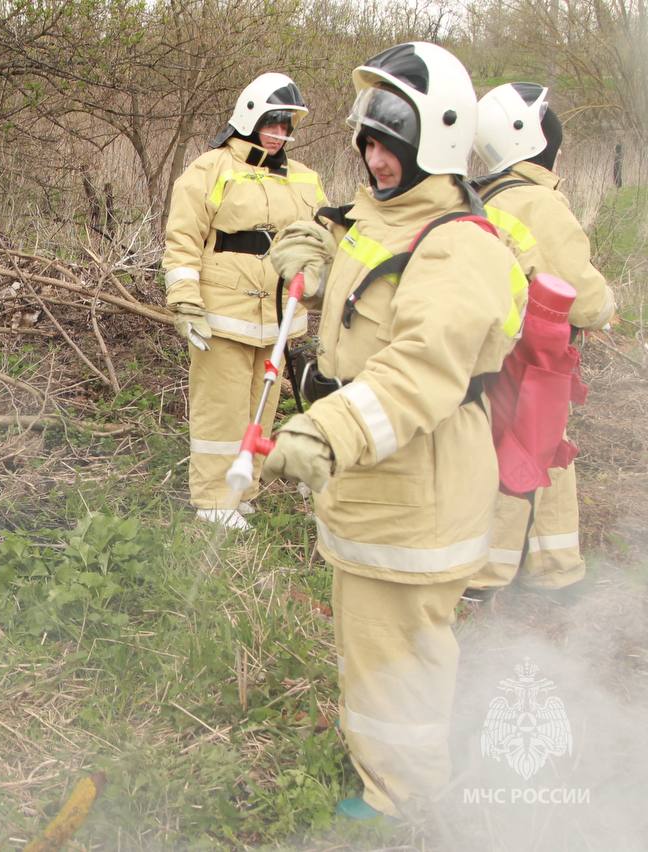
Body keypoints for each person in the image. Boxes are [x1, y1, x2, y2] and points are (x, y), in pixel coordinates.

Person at [265, 42, 527, 819]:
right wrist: (314, 245)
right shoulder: (391, 211)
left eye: (391, 147)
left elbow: (419, 370)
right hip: (380, 485)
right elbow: (357, 240)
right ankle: (386, 771)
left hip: (419, 493)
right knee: (375, 643)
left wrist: (328, 430)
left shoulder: (459, 246)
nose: (375, 160)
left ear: (435, 144)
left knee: (400, 658)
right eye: (369, 142)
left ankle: (404, 802)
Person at [463, 83, 616, 602]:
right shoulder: (538, 203)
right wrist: (607, 306)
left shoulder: (484, 197)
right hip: (533, 357)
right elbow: (581, 293)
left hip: (494, 350)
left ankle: (549, 565)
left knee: (522, 448)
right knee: (532, 452)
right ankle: (510, 575)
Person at [162, 73, 326, 530]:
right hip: (222, 312)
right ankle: (215, 500)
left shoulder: (305, 178)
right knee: (222, 408)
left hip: (277, 315)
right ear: (250, 119)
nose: (278, 134)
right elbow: (182, 240)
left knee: (261, 407)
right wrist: (186, 301)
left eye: (286, 126)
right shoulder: (210, 169)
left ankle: (243, 489)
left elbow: (319, 239)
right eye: (272, 123)